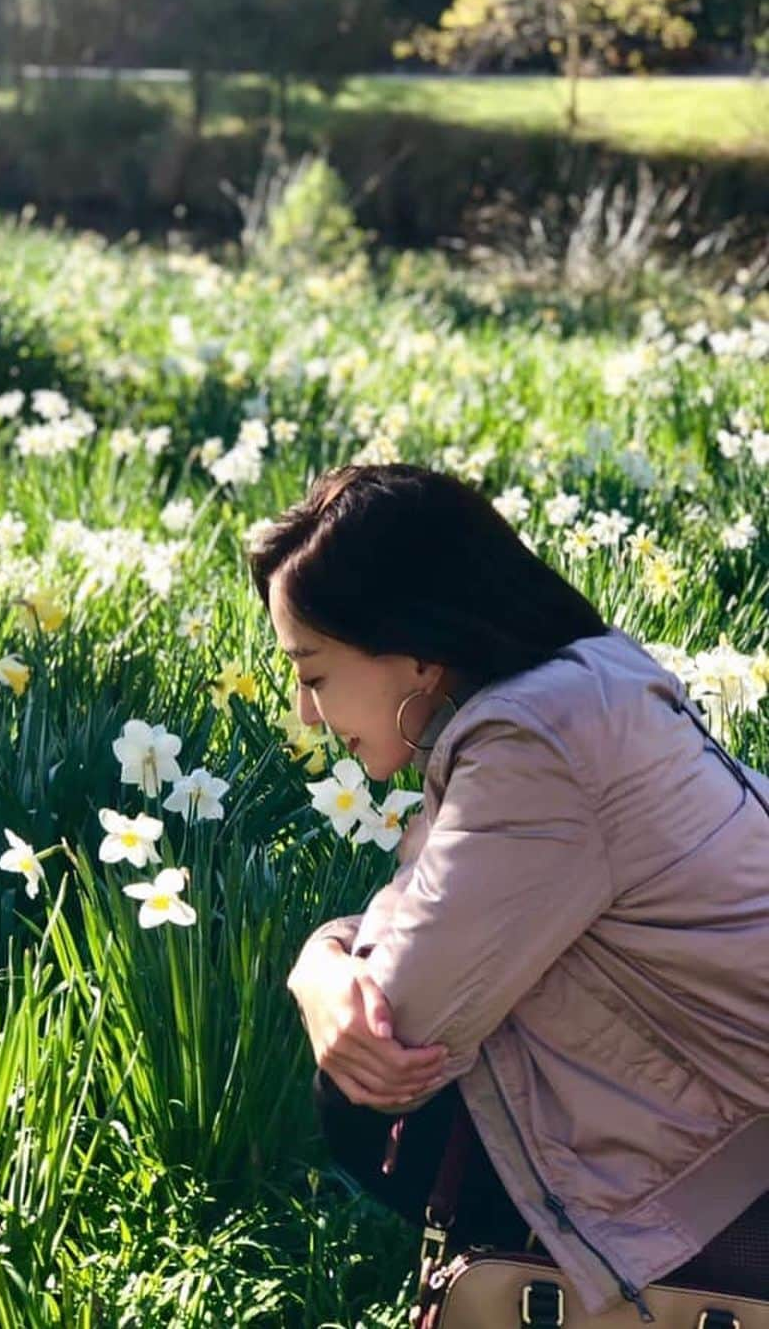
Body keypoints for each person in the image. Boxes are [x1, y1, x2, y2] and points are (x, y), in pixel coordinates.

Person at [248, 463, 769, 1318]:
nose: (308, 713)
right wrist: (323, 961)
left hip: (738, 1161)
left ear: (412, 646)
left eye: (313, 672)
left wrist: (321, 968)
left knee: (369, 1098)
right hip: (736, 1120)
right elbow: (434, 916)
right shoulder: (575, 690)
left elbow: (398, 1029)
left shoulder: (538, 742)